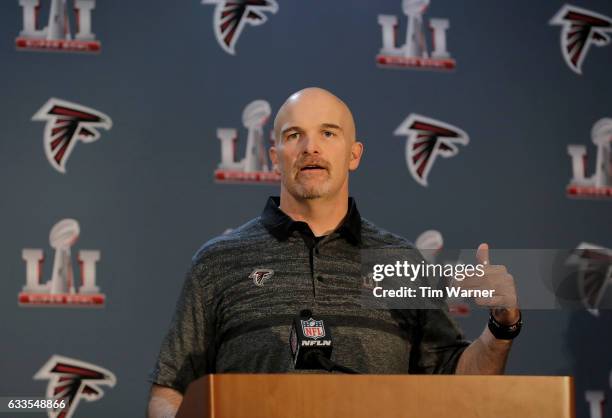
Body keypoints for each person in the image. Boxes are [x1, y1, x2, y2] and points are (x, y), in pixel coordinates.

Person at [146, 87, 522, 417]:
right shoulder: (219, 261)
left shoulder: (400, 262)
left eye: (328, 133)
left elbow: (456, 386)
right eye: (295, 135)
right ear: (274, 156)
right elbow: (169, 391)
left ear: (354, 155)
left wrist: (501, 328)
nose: (311, 147)